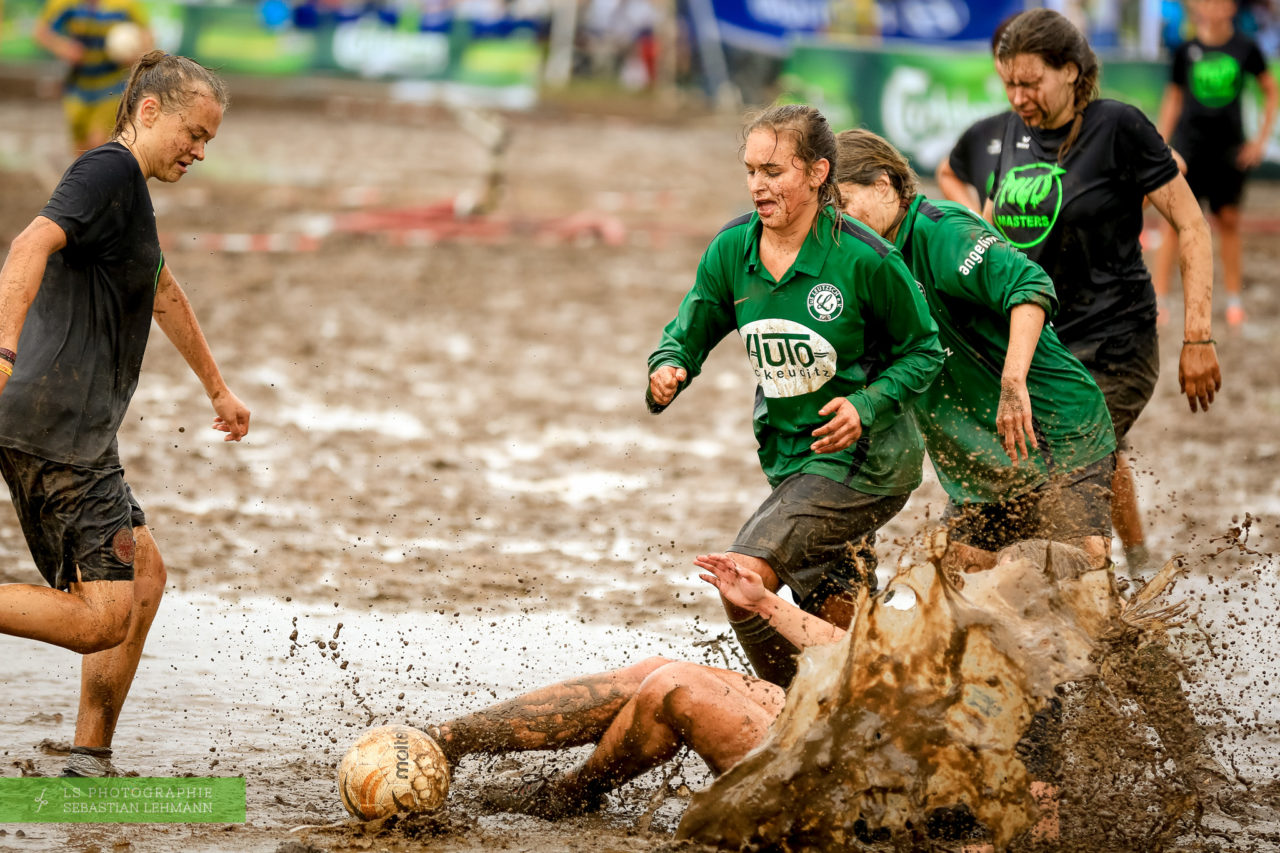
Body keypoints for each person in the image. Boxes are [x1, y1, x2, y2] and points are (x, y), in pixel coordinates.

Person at [0, 51, 250, 777]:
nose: (200, 151)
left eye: (209, 140)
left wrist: (217, 389)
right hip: (60, 431)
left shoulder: (128, 197)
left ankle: (89, 755)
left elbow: (161, 289)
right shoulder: (105, 172)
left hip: (68, 431)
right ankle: (89, 754)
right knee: (102, 615)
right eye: (194, 133)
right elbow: (28, 244)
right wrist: (5, 345)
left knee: (145, 577)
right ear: (149, 112)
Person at [646, 103, 944, 688]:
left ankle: (778, 716)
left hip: (868, 462)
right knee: (838, 620)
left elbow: (926, 352)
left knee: (742, 578)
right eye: (752, 171)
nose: (759, 184)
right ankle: (885, 707)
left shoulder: (866, 259)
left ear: (817, 174)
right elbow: (691, 328)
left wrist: (865, 406)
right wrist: (670, 364)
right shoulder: (733, 249)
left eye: (774, 171)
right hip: (789, 459)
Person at [985, 8, 1222, 573]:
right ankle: (1131, 567)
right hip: (1048, 346)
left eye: (1031, 82)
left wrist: (1198, 337)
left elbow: (1191, 225)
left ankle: (1101, 612)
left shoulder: (1118, 126)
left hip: (1118, 343)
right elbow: (989, 237)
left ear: (1070, 71)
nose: (1018, 97)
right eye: (1009, 83)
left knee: (1068, 470)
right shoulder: (1011, 133)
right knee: (1045, 467)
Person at [835, 128, 1116, 574]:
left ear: (884, 184)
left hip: (1055, 434)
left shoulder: (941, 231)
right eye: (826, 211)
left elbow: (1030, 285)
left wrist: (1012, 381)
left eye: (843, 204)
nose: (837, 220)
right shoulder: (861, 260)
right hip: (983, 468)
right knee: (955, 593)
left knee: (1072, 585)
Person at [430, 552, 842, 819]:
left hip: (841, 784)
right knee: (654, 669)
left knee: (675, 685)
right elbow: (859, 651)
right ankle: (448, 738)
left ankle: (565, 796)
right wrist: (762, 602)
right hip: (828, 728)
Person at [1153, 0, 1279, 329]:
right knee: (1172, 226)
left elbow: (1270, 89)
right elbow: (1174, 98)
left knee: (1229, 222)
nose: (1211, 7)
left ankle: (1234, 299)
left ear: (1231, 8)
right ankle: (1159, 298)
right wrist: (1161, 144)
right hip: (1188, 152)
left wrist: (1260, 142)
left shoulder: (1246, 48)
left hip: (1229, 153)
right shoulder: (1184, 50)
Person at [34, 0, 153, 155]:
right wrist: (64, 48)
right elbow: (41, 32)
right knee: (81, 149)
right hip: (77, 86)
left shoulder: (125, 5)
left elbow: (147, 36)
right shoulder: (64, 3)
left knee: (98, 144)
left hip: (112, 86)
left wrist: (133, 55)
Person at [935, 17, 1018, 213]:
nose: (1013, 64)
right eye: (1003, 54)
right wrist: (977, 222)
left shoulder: (1080, 129)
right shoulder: (985, 132)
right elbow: (947, 172)